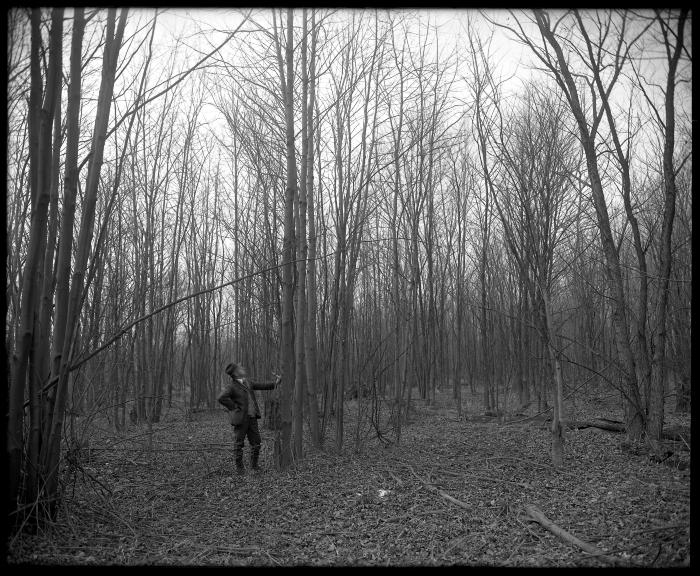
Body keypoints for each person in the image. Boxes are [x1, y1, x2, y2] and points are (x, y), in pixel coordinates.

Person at [218, 362, 281, 475]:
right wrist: (234, 407)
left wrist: (276, 382)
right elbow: (221, 398)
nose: (242, 368)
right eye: (240, 368)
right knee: (238, 444)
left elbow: (262, 385)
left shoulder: (248, 382)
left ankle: (254, 466)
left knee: (256, 443)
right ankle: (240, 469)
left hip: (252, 419)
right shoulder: (231, 386)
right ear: (236, 372)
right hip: (241, 420)